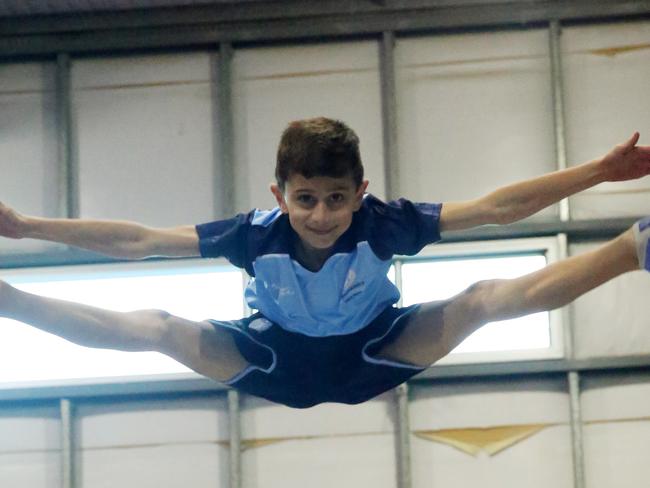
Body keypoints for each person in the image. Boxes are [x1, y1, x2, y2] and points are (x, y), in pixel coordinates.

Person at [1, 117, 649, 408]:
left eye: (336, 200)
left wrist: (599, 172)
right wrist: (27, 227)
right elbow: (138, 241)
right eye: (305, 200)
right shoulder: (253, 236)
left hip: (375, 353)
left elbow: (497, 208)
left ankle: (632, 248)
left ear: (360, 193)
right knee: (160, 328)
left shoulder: (385, 224)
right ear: (278, 194)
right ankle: (9, 300)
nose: (320, 216)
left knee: (480, 299)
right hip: (271, 361)